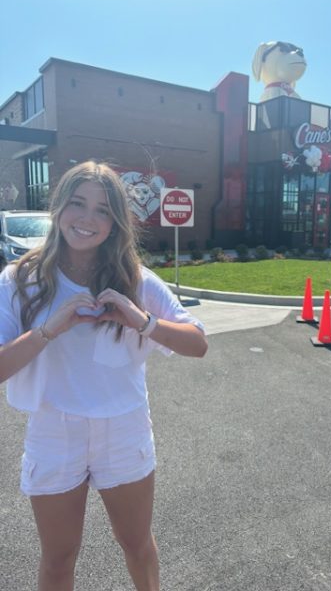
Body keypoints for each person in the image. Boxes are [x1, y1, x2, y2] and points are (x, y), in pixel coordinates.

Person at [0, 161, 208, 591]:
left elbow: (197, 342)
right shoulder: (21, 280)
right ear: (58, 209)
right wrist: (46, 331)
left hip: (123, 428)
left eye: (102, 210)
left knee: (136, 544)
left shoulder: (136, 279)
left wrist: (143, 321)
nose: (87, 219)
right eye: (77, 204)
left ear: (115, 223)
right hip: (54, 430)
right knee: (58, 559)